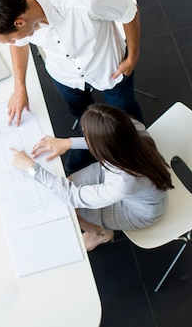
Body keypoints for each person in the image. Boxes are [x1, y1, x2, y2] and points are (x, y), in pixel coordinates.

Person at [0, 0, 144, 172]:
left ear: (20, 23)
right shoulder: (16, 7)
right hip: (66, 77)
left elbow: (129, 10)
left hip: (109, 70)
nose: (12, 44)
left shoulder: (84, 0)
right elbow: (20, 45)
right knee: (82, 114)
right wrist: (19, 87)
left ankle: (140, 149)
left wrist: (132, 55)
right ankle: (88, 143)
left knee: (125, 115)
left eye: (9, 40)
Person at [9, 104, 173, 252]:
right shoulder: (132, 128)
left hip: (137, 212)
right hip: (118, 173)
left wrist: (32, 168)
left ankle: (98, 233)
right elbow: (110, 139)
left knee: (68, 206)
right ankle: (97, 228)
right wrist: (68, 143)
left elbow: (72, 196)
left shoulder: (125, 182)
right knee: (66, 185)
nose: (86, 137)